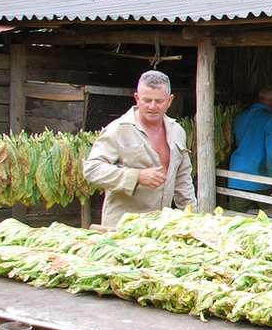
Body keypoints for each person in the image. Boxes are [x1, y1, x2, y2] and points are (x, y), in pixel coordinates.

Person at [83, 70, 195, 227]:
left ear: (169, 101)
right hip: (121, 228)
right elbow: (92, 170)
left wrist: (192, 217)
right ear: (137, 98)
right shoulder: (119, 130)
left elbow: (183, 179)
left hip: (159, 226)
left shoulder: (177, 131)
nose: (152, 106)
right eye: (147, 100)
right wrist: (136, 176)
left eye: (159, 101)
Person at [226, 87, 272, 212]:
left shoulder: (240, 117)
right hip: (260, 177)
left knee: (236, 221)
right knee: (270, 221)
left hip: (237, 177)